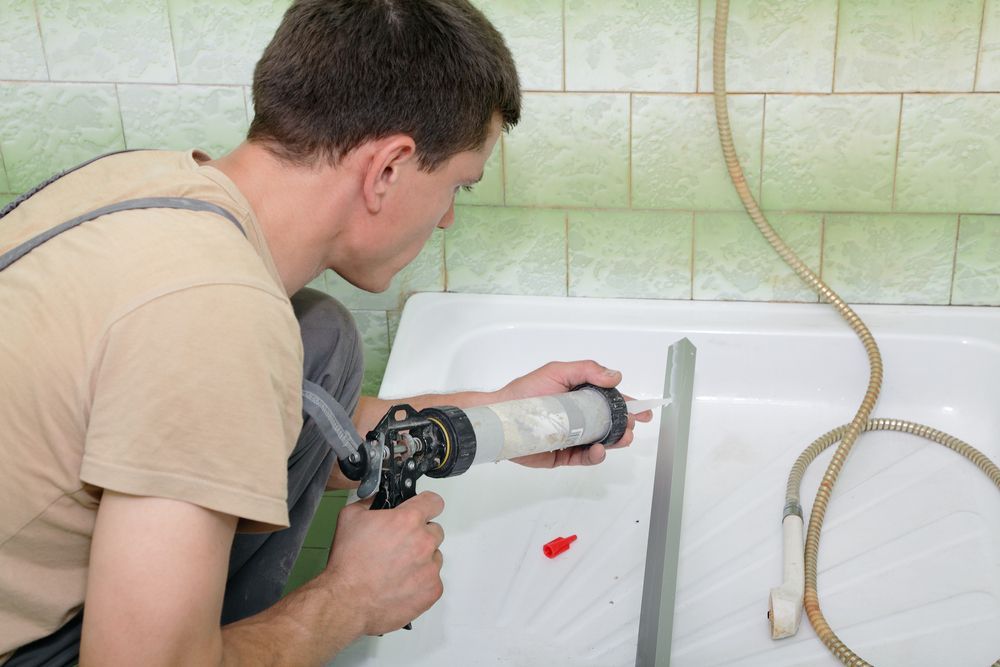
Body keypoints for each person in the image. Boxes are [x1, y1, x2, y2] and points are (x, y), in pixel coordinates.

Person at [0, 1, 649, 665]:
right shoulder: (213, 318)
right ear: (389, 169)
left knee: (321, 341)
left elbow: (313, 427)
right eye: (458, 185)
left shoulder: (158, 187)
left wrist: (507, 418)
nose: (450, 217)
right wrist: (349, 598)